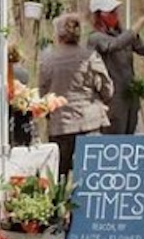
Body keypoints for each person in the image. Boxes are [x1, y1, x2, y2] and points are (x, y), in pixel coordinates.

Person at [38, 14, 114, 176]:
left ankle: (61, 201)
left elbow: (43, 94)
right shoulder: (90, 57)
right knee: (93, 173)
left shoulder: (49, 59)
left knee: (60, 174)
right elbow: (107, 88)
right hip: (90, 122)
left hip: (61, 124)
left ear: (58, 35)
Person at [86, 0, 144, 135]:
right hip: (112, 101)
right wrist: (141, 22)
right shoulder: (95, 38)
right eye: (111, 12)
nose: (115, 15)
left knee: (138, 136)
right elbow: (114, 45)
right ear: (99, 16)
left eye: (115, 11)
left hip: (131, 97)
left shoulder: (122, 34)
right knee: (116, 140)